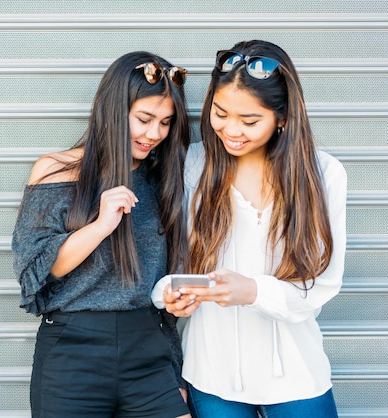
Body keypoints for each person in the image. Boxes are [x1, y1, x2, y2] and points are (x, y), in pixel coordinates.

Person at [152, 40, 347, 417]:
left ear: (284, 118)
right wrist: (167, 294)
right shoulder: (192, 165)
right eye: (220, 113)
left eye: (250, 120)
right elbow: (164, 264)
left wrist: (254, 291)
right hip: (211, 374)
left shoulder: (323, 175)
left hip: (296, 374)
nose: (231, 130)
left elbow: (322, 284)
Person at [12, 50, 192, 417]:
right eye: (143, 119)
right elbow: (33, 272)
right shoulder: (56, 171)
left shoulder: (167, 178)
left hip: (150, 348)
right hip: (72, 353)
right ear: (113, 109)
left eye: (165, 123)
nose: (153, 134)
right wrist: (100, 226)